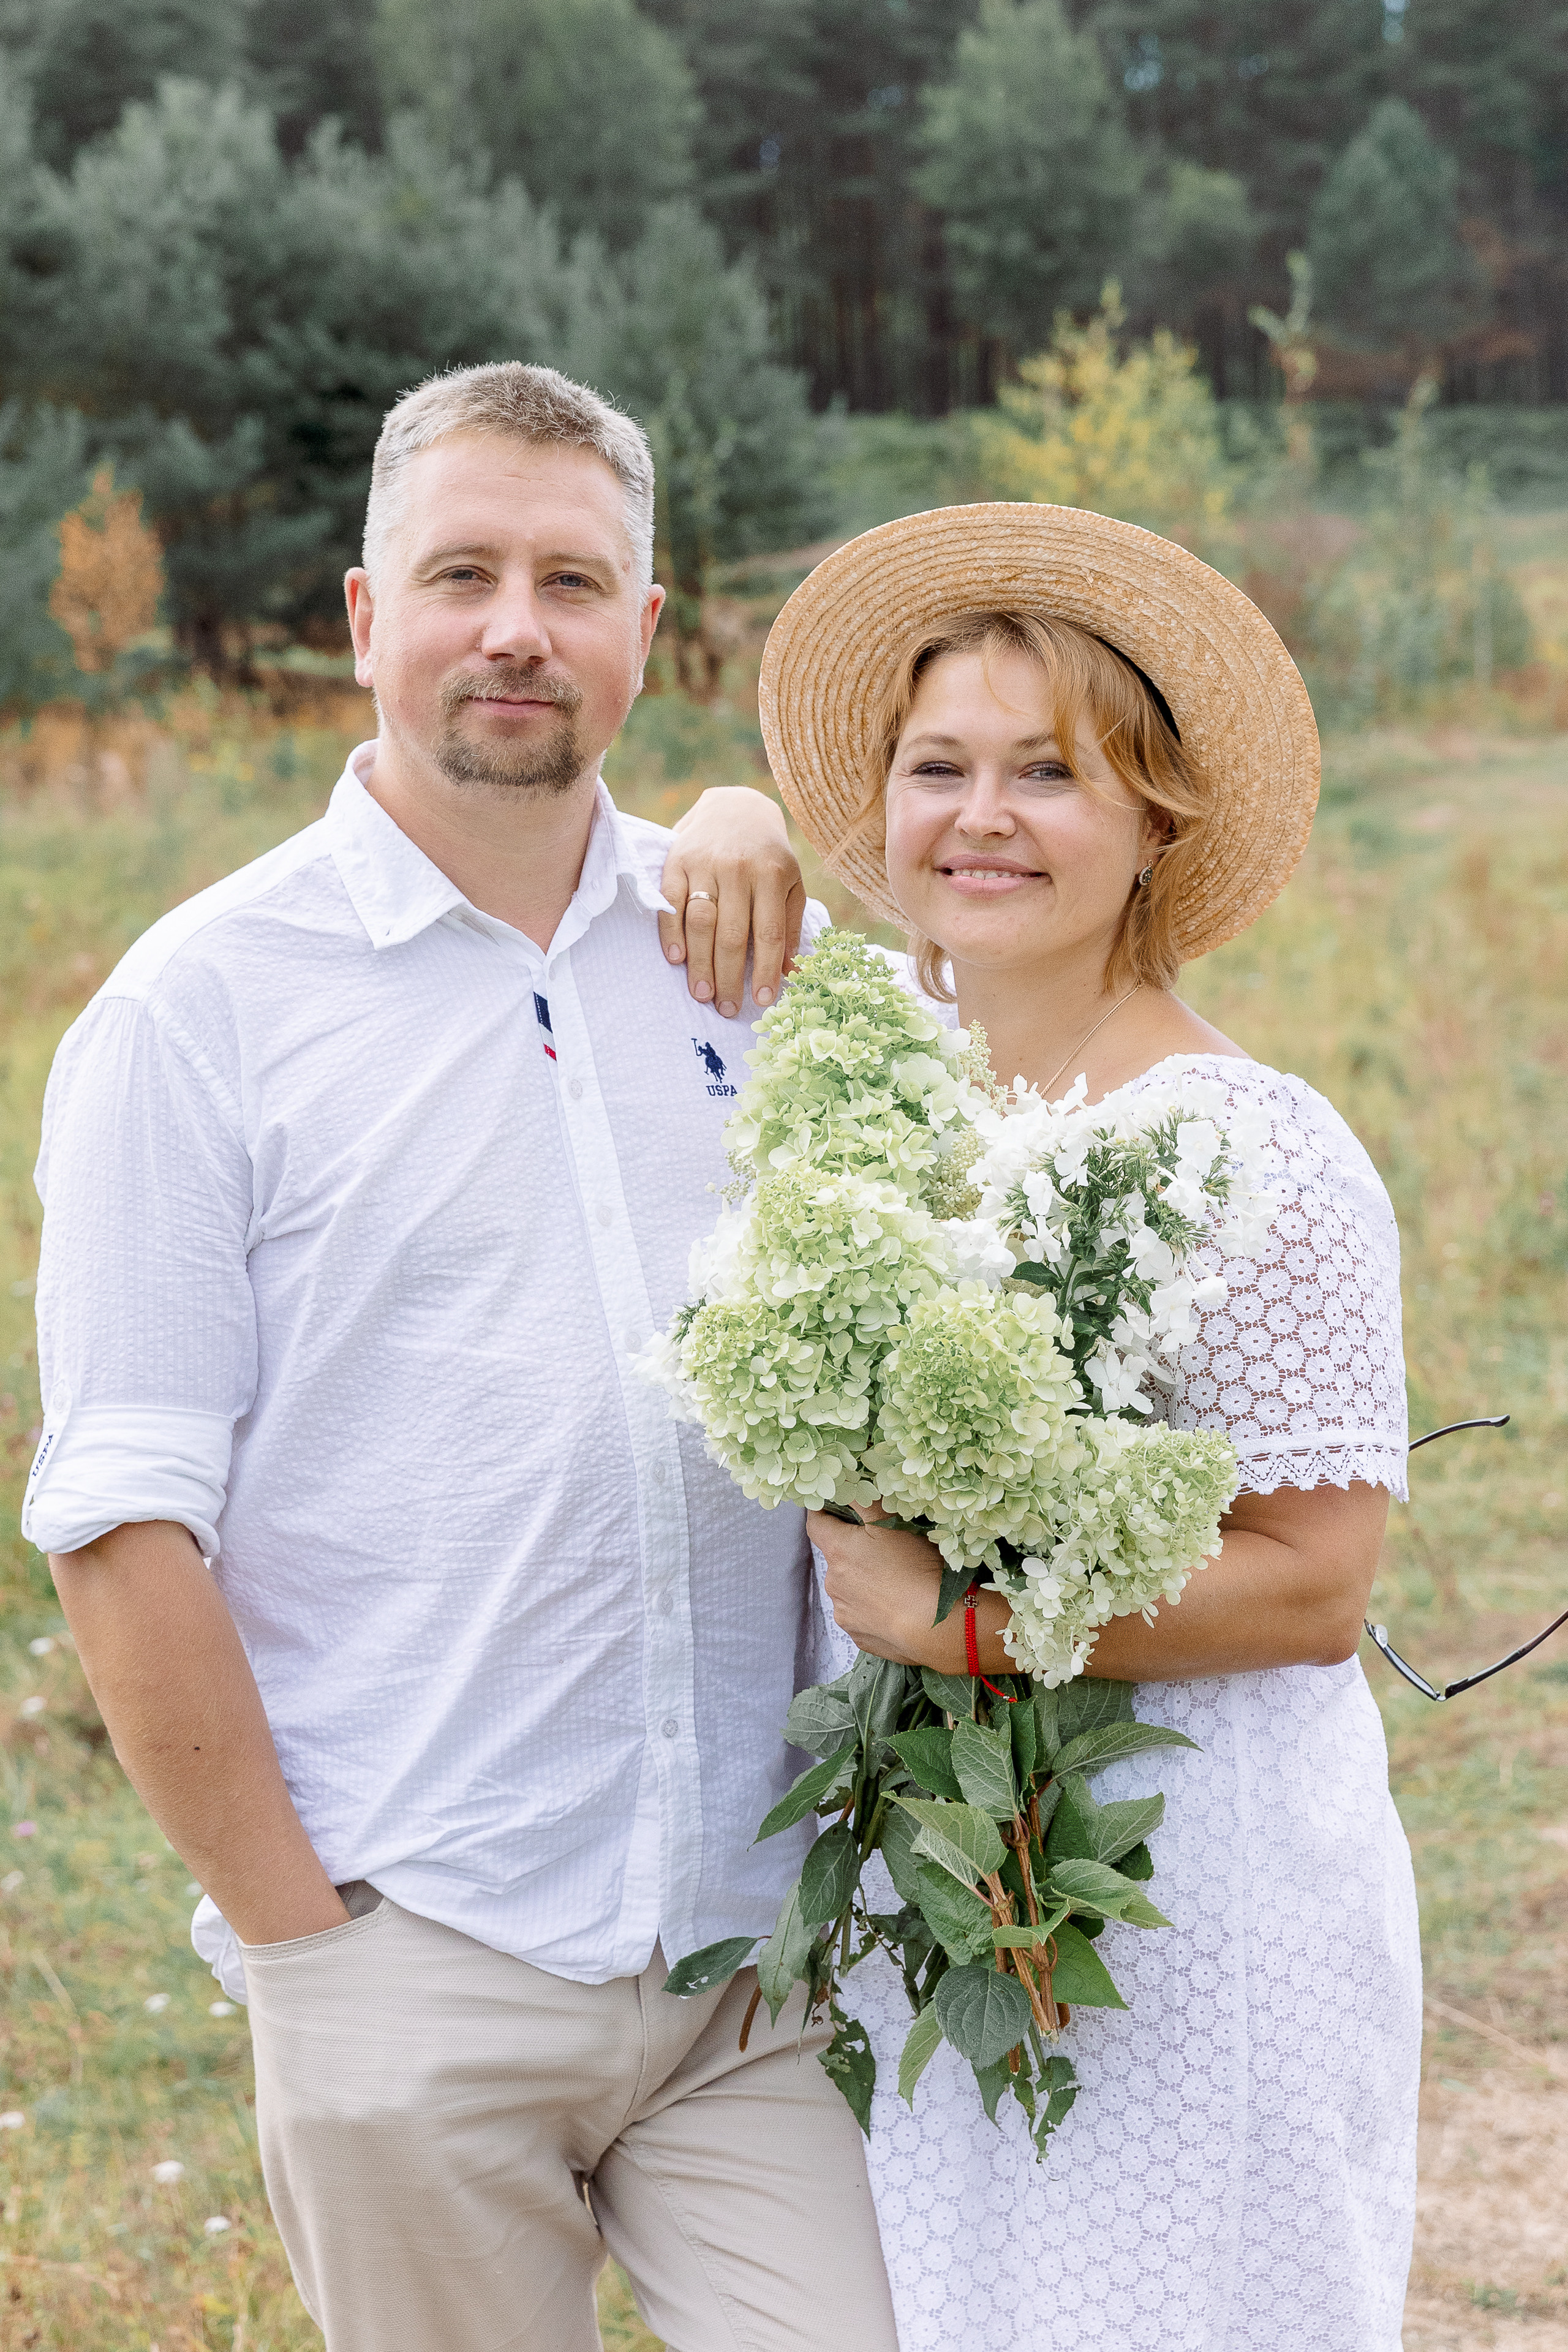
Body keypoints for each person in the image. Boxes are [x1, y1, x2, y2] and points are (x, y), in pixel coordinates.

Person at [24, 361, 899, 2352]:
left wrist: (755, 811)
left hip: (762, 1958)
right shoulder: (197, 1013)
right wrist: (307, 1958)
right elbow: (121, 1521)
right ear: (364, 617)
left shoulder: (754, 956)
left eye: (572, 583)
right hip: (419, 1948)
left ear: (645, 631)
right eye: (462, 575)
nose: (519, 627)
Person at [753, 504, 1420, 2351]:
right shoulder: (876, 1107)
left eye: (1048, 772)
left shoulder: (1257, 1151)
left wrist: (960, 1625)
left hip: (1190, 1891)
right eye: (937, 766)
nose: (983, 817)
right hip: (943, 1882)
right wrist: (726, 818)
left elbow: (1316, 1587)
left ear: (1156, 824)